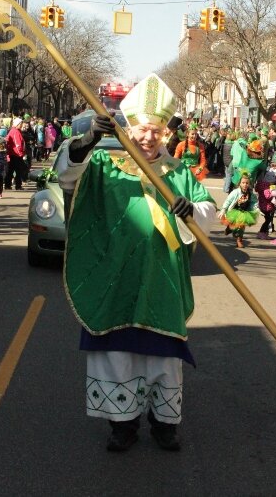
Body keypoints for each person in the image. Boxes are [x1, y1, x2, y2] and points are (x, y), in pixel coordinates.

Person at [56, 74, 217, 452]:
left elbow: (210, 213)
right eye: (143, 130)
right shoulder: (105, 165)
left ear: (166, 134)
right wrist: (87, 140)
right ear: (130, 127)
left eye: (156, 132)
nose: (148, 138)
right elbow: (67, 175)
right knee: (117, 354)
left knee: (164, 357)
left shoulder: (178, 172)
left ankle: (164, 424)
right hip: (115, 276)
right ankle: (122, 425)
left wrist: (191, 210)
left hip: (163, 279)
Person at [219, 173, 258, 248]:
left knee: (241, 227)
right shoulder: (235, 192)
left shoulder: (250, 194)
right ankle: (229, 228)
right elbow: (228, 200)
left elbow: (254, 202)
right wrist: (223, 209)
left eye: (247, 183)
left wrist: (255, 208)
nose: (245, 185)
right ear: (239, 183)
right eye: (243, 183)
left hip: (244, 212)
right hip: (234, 211)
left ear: (249, 184)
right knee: (233, 225)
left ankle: (239, 241)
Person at [5, 118, 27, 190]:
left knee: (11, 170)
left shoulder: (15, 131)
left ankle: (8, 185)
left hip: (13, 153)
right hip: (16, 154)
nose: (21, 125)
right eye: (20, 124)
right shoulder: (15, 132)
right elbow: (17, 144)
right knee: (18, 170)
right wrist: (21, 154)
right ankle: (18, 185)